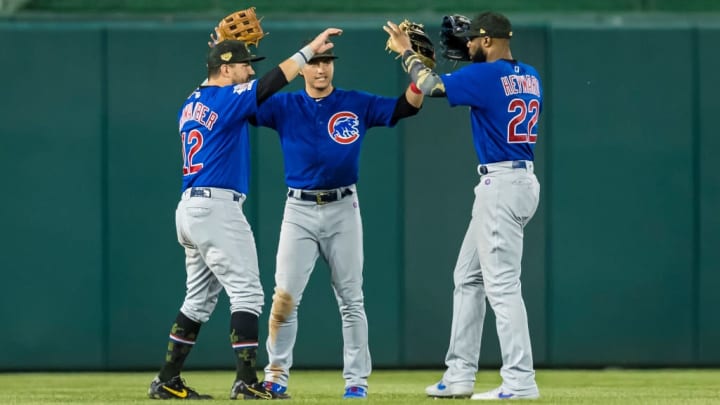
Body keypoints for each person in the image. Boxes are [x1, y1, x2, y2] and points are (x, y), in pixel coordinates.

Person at [147, 27, 342, 401]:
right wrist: (309, 50)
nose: (249, 71)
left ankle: (167, 379)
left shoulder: (191, 101)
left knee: (198, 300)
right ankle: (246, 380)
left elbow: (239, 82)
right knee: (248, 294)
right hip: (216, 207)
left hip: (190, 207)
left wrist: (221, 50)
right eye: (242, 66)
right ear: (224, 70)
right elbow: (271, 82)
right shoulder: (223, 99)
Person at [249, 44, 424, 399]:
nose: (321, 69)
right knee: (284, 298)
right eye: (314, 63)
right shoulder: (285, 106)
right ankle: (276, 374)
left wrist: (419, 75)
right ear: (301, 70)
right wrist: (232, 60)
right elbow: (246, 102)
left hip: (343, 207)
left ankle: (356, 380)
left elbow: (405, 108)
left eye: (326, 62)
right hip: (298, 210)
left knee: (351, 299)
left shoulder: (355, 102)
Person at [385, 11, 542, 401]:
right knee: (467, 278)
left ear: (488, 41)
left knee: (502, 286)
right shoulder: (530, 74)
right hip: (518, 179)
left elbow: (430, 86)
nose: (466, 44)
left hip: (502, 183)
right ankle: (458, 375)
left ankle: (520, 381)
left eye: (472, 39)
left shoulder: (486, 75)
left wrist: (408, 54)